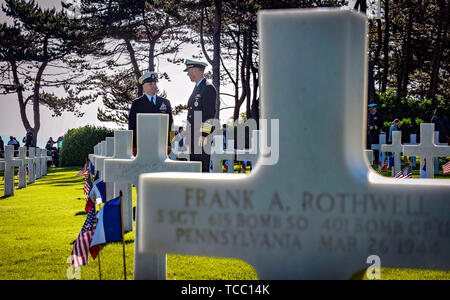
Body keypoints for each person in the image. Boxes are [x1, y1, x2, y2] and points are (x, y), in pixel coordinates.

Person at [128, 72, 173, 157]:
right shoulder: (137, 103)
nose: (154, 86)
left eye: (155, 83)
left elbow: (171, 125)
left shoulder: (165, 103)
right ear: (143, 86)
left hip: (161, 145)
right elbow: (132, 126)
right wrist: (133, 146)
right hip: (142, 145)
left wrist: (170, 143)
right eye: (150, 84)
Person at [184, 59, 217, 172]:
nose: (188, 74)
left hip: (201, 137)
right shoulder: (198, 88)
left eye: (188, 71)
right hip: (193, 135)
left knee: (202, 169)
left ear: (195, 70)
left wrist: (204, 134)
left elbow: (209, 114)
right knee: (195, 168)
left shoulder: (207, 88)